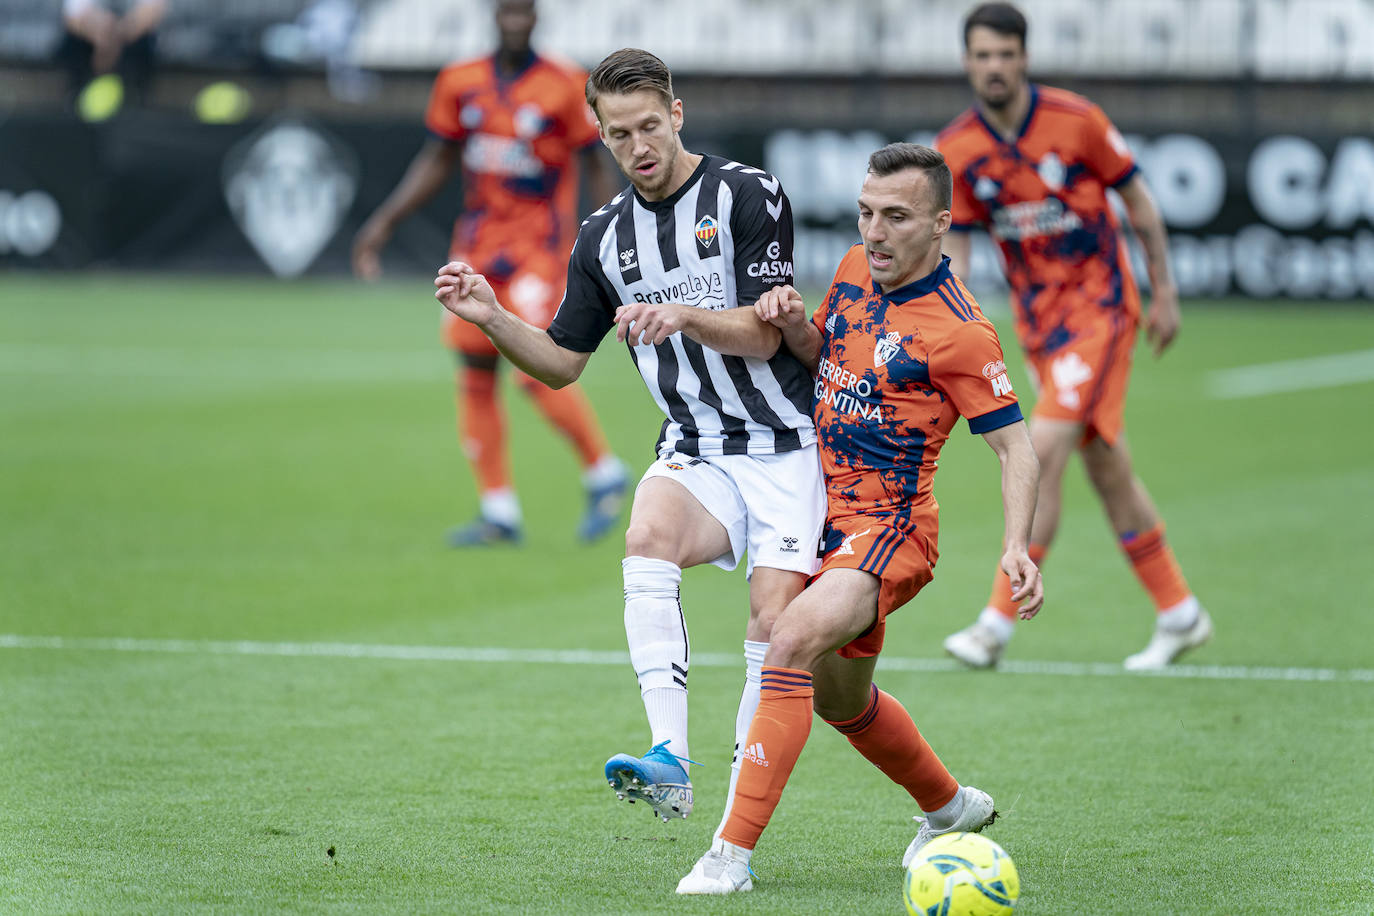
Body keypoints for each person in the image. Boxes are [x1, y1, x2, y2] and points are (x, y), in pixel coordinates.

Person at [433, 48, 827, 835]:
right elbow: (560, 365)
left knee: (772, 621)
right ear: (603, 137)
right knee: (645, 535)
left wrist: (679, 314)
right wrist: (493, 316)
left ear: (676, 115)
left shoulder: (748, 195)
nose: (639, 145)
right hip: (698, 445)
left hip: (787, 445)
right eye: (620, 134)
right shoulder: (602, 238)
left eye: (650, 125)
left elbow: (766, 336)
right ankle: (670, 762)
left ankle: (736, 818)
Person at [677, 142, 1043, 895]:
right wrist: (795, 324)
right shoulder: (851, 269)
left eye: (897, 217)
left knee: (788, 640)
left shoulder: (962, 332)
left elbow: (1015, 448)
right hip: (812, 506)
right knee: (842, 699)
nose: (875, 233)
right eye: (866, 214)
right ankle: (948, 808)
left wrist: (1016, 547)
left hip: (889, 528)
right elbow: (828, 360)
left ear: (941, 223)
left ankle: (729, 855)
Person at [937, 2, 1210, 671]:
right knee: (1107, 468)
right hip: (1041, 332)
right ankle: (1180, 612)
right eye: (982, 55)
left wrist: (1164, 291)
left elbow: (1139, 202)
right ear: (967, 62)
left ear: (1024, 57)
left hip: (1104, 312)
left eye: (1005, 54)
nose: (994, 67)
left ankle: (995, 624)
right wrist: (956, 323)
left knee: (1044, 447)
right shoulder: (960, 149)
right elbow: (961, 250)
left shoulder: (1077, 121)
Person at [353, 0, 628, 547]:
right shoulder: (461, 81)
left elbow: (594, 163)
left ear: (537, 16)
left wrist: (618, 241)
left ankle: (603, 470)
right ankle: (499, 510)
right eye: (507, 10)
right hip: (476, 250)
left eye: (524, 10)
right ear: (494, 14)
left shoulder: (564, 83)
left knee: (534, 366)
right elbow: (437, 159)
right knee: (474, 371)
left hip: (540, 251)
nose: (515, 19)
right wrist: (383, 223)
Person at [58, 0, 167, 108]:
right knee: (74, 43)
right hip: (95, 37)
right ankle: (74, 99)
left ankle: (137, 100)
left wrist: (117, 34)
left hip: (130, 40)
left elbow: (151, 12)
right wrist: (100, 35)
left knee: (144, 43)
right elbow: (73, 17)